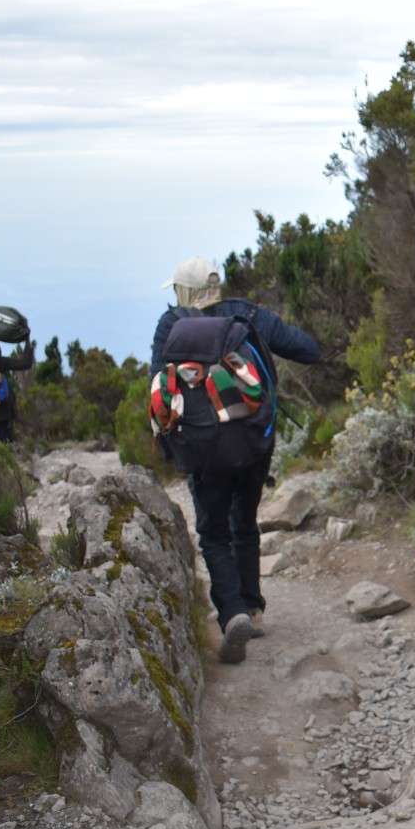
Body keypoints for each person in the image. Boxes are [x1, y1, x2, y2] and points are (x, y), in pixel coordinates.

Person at [149, 256, 321, 664]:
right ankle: (254, 609)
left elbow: (157, 380)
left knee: (212, 532)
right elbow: (307, 350)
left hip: (202, 446)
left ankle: (232, 613)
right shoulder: (246, 314)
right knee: (244, 521)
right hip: (251, 440)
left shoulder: (171, 324)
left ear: (183, 292)